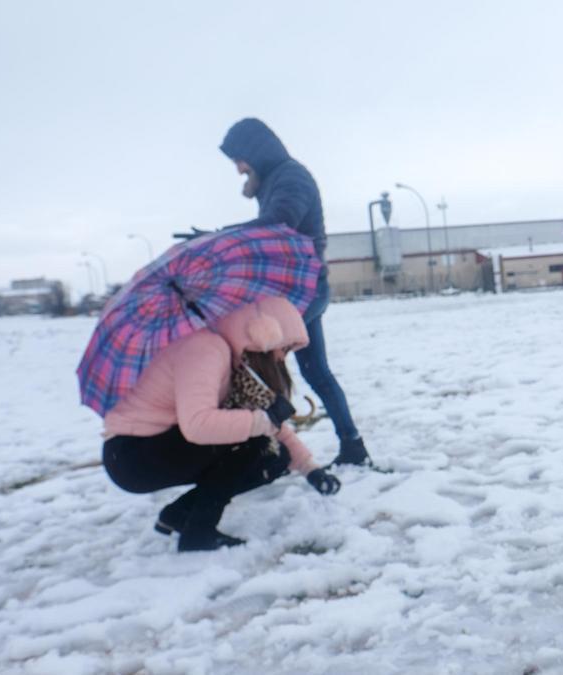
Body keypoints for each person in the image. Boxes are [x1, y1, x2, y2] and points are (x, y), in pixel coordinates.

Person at [102, 296, 342, 552]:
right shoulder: (205, 349)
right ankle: (198, 534)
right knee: (256, 447)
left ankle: (180, 515)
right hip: (133, 456)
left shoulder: (231, 358)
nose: (283, 358)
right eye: (285, 348)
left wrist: (309, 468)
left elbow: (269, 426)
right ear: (264, 333)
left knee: (274, 457)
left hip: (153, 449)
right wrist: (263, 420)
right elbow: (198, 424)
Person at [219, 118, 370, 466]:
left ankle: (272, 453)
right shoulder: (275, 180)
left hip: (303, 293)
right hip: (302, 294)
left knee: (259, 367)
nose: (239, 168)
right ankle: (352, 446)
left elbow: (276, 227)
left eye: (240, 159)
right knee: (316, 372)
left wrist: (220, 237)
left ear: (256, 152)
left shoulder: (290, 178)